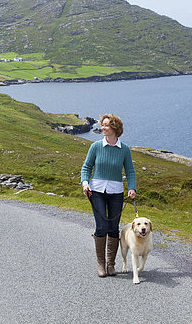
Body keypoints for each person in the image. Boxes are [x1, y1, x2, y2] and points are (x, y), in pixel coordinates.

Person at [81, 114, 136, 277]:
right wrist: (85, 183)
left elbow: (130, 171)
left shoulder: (124, 149)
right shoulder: (96, 146)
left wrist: (132, 188)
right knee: (101, 227)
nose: (102, 128)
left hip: (116, 192)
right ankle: (101, 264)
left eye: (106, 125)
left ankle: (111, 265)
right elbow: (86, 168)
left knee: (113, 228)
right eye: (102, 125)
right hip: (96, 191)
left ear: (115, 128)